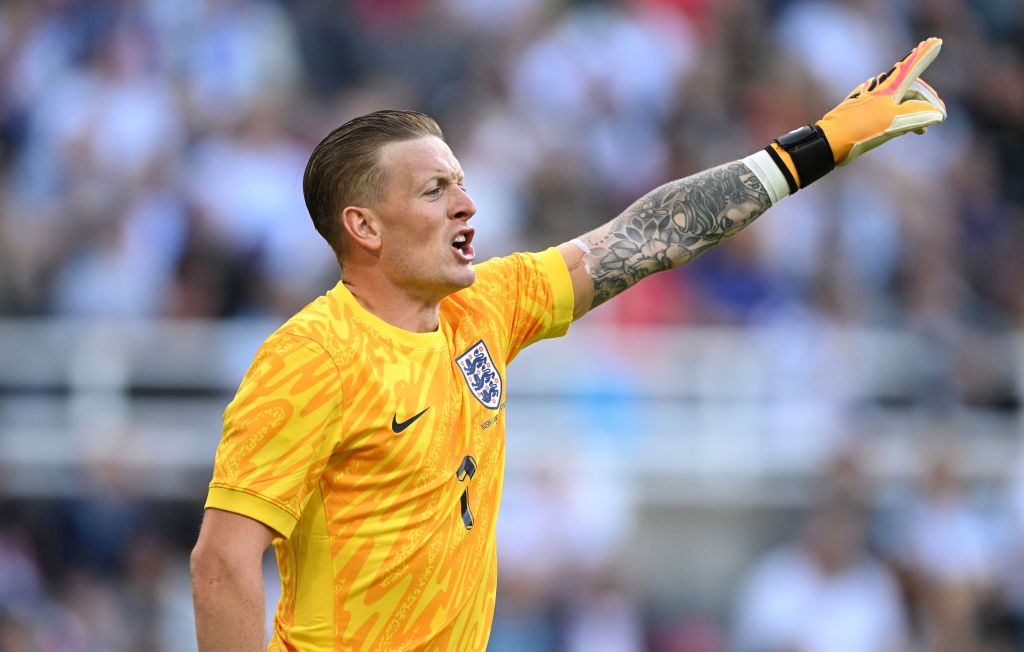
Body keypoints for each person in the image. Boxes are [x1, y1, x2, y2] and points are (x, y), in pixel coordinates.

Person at [190, 38, 948, 651]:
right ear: (363, 227)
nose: (467, 203)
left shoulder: (484, 306)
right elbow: (223, 561)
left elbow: (643, 238)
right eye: (434, 190)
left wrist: (817, 146)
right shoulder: (312, 357)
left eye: (460, 181)